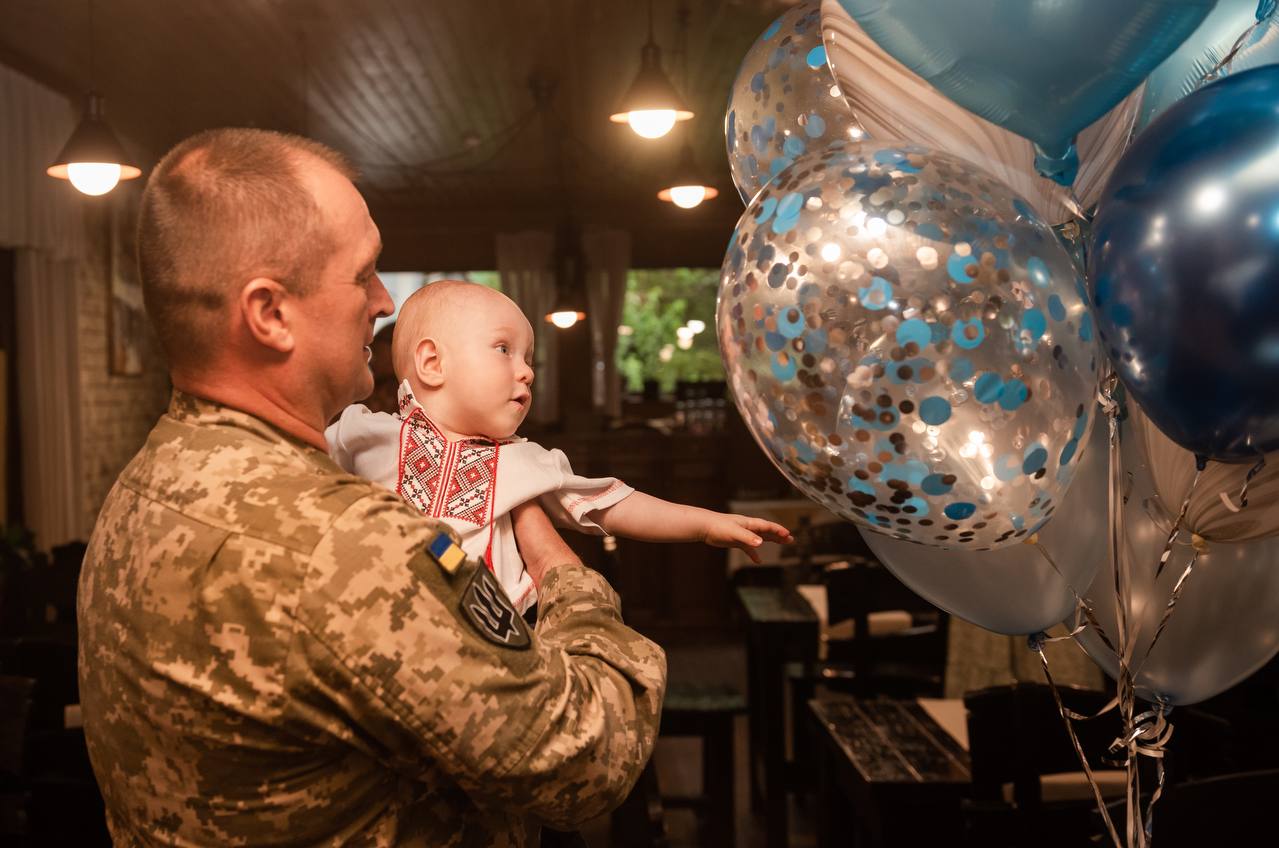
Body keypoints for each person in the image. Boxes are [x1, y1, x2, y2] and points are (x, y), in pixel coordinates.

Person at [76, 127, 667, 846]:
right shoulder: (348, 548)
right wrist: (560, 569)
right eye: (362, 274)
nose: (384, 301)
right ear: (270, 314)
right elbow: (587, 757)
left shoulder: (142, 485)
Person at [325, 280, 794, 619]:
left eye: (529, 358)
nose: (527, 371)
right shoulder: (361, 434)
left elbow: (613, 505)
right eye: (504, 349)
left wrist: (705, 523)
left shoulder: (526, 462)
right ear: (432, 363)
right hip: (378, 627)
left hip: (490, 644)